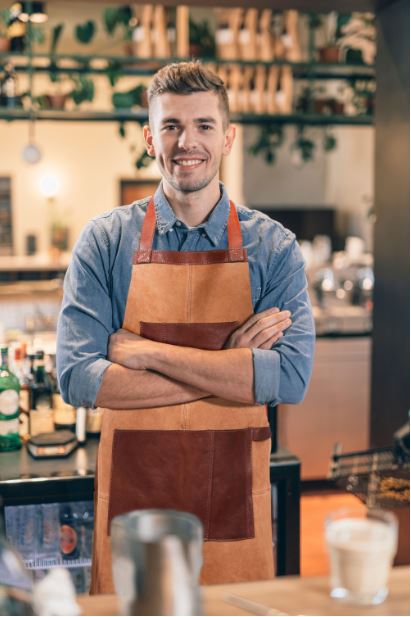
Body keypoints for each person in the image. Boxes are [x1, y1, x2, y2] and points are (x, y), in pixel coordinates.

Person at [56, 61, 315, 593]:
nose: (186, 141)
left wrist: (146, 352)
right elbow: (78, 378)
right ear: (150, 138)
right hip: (133, 503)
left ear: (228, 138)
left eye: (203, 126)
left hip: (234, 503)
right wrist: (233, 365)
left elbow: (289, 378)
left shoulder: (274, 248)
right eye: (171, 126)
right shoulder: (104, 243)